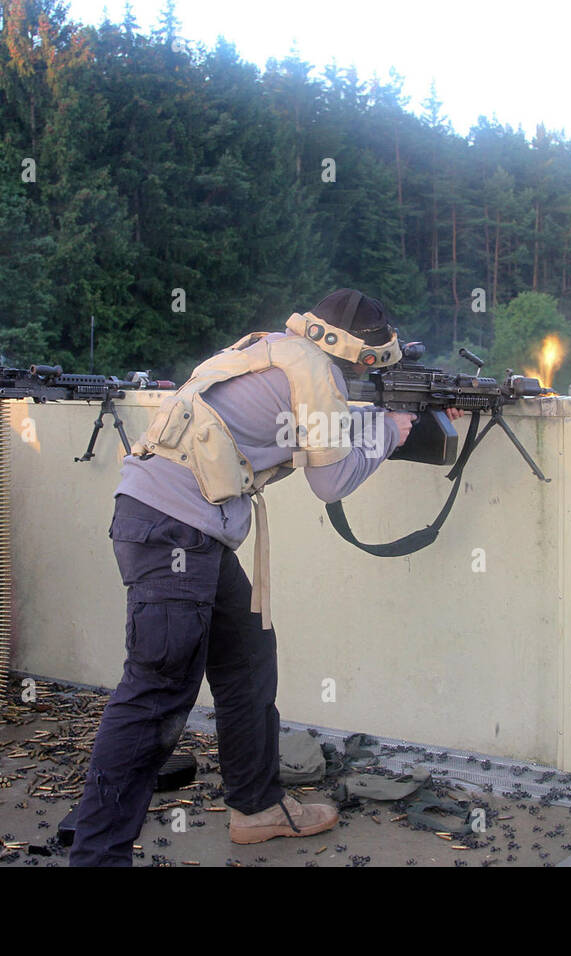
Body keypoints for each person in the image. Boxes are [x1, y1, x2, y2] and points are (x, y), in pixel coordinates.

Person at [70, 288, 444, 866]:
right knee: (157, 691)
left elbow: (309, 427)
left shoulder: (270, 350)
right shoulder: (318, 372)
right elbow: (330, 481)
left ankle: (257, 808)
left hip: (174, 524)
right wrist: (394, 433)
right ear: (363, 355)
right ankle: (97, 856)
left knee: (246, 656)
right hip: (175, 532)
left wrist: (377, 420)